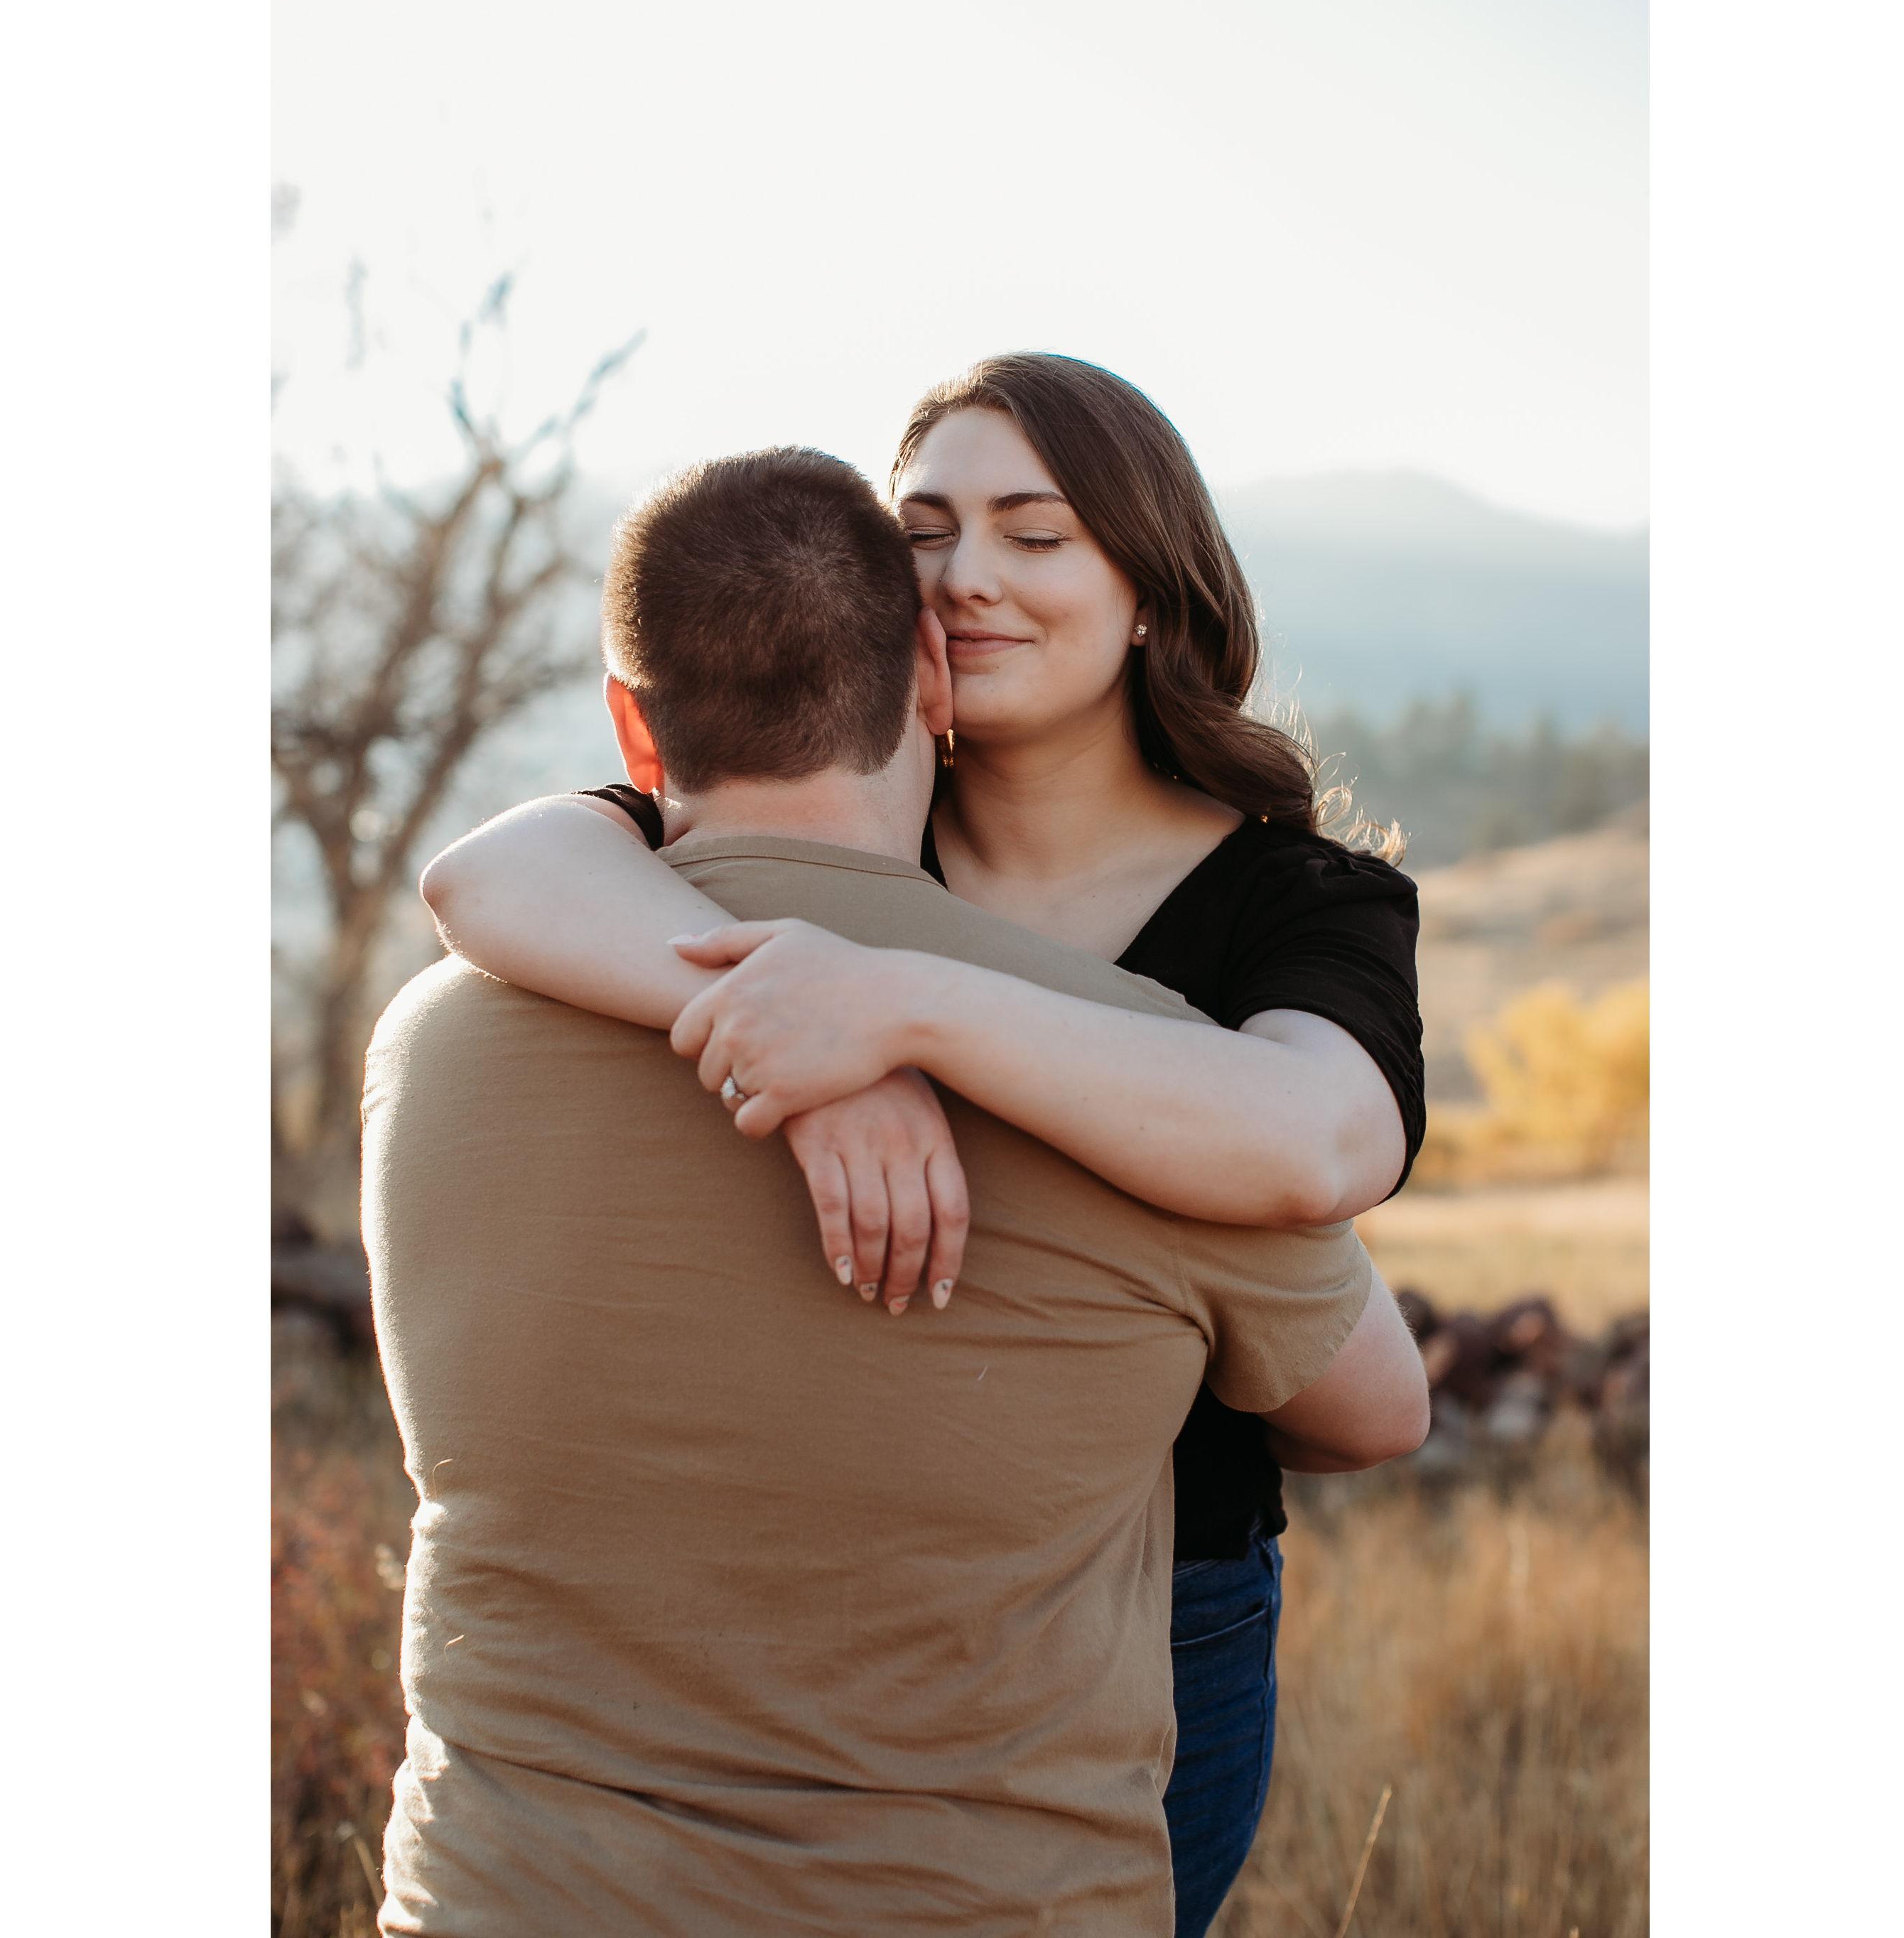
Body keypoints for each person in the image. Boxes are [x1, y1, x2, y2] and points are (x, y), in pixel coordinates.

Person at [366, 444, 1431, 1935]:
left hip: (500, 1893)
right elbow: (1379, 1409)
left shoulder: (430, 1041)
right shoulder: (1144, 1063)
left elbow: (1317, 1128)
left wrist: (904, 1015)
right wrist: (818, 1041)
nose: (977, 571)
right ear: (925, 674)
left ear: (631, 718)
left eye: (1037, 531)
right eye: (930, 532)